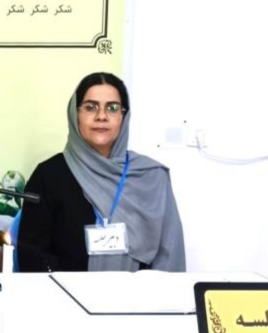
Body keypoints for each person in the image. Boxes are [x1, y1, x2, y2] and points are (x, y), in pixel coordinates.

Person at [18, 73, 185, 272]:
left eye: (112, 108)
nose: (101, 116)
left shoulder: (151, 176)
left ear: (124, 116)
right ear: (75, 114)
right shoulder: (48, 176)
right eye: (90, 107)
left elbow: (169, 253)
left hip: (142, 291)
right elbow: (32, 255)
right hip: (64, 291)